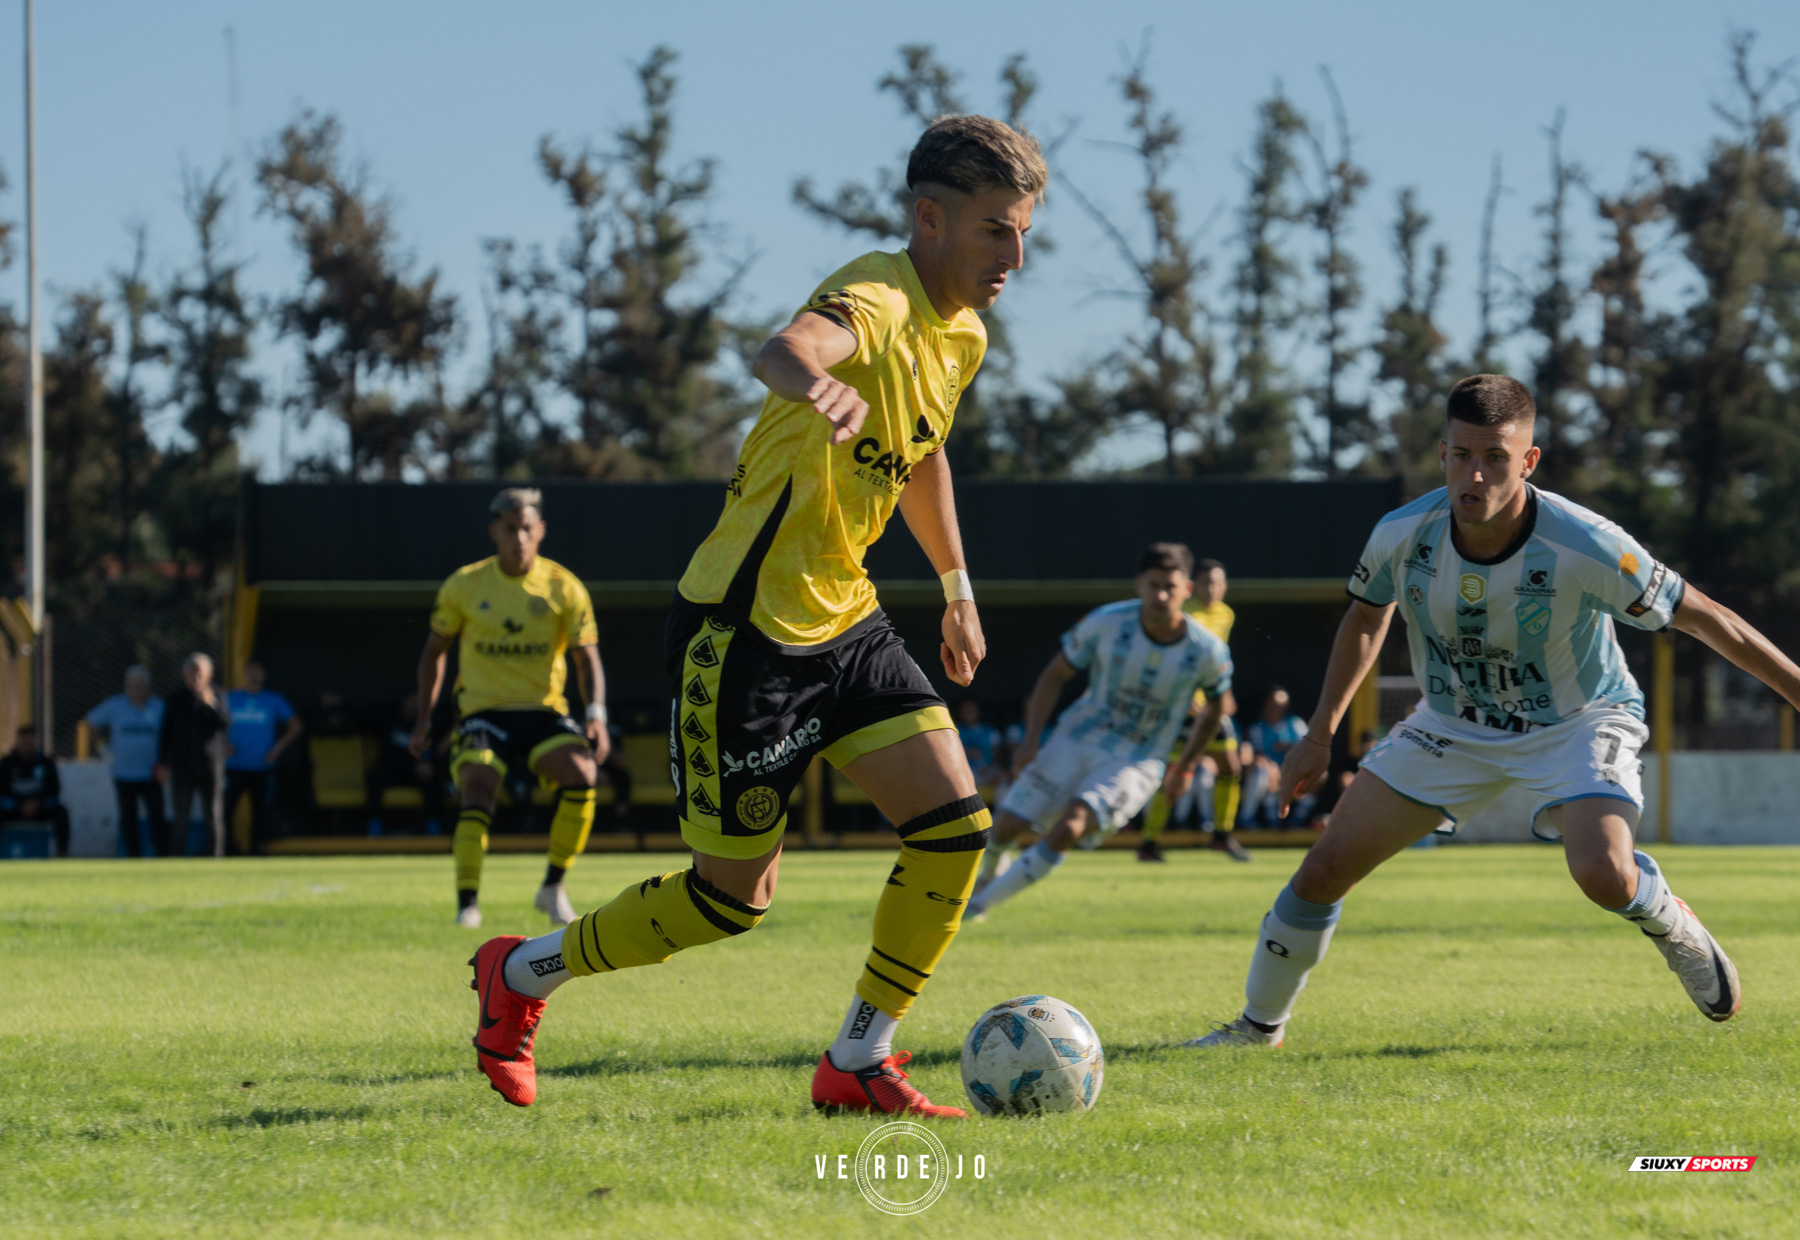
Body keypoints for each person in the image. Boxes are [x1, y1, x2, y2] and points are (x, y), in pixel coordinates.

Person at [465, 115, 1045, 1117]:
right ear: (930, 219)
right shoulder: (877, 294)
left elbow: (924, 454)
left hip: (849, 621)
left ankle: (858, 1057)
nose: (1015, 256)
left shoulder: (963, 336)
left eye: (1025, 231)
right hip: (743, 634)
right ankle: (519, 974)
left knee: (956, 830)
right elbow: (783, 348)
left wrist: (956, 587)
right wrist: (817, 384)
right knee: (728, 900)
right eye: (996, 229)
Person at [1187, 374, 1779, 1052]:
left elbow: (1708, 618)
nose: (1475, 474)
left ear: (1528, 461)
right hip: (1452, 724)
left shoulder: (1586, 543)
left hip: (1580, 720)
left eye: (1496, 457)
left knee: (1605, 875)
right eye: (1462, 454)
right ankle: (1257, 1030)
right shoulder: (1401, 533)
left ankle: (1669, 920)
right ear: (1441, 453)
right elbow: (1366, 617)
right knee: (1323, 869)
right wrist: (1320, 733)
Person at [967, 543, 1234, 919]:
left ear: (1186, 590)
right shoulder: (1106, 622)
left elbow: (1219, 708)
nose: (1161, 595)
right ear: (1139, 584)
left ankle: (978, 905)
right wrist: (1030, 742)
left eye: (1170, 587)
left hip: (1139, 757)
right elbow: (1054, 675)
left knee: (1070, 827)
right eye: (1154, 585)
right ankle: (989, 874)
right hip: (1077, 738)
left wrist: (1186, 766)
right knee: (1007, 827)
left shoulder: (1206, 649)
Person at [412, 487, 610, 930]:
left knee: (583, 774)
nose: (519, 538)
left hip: (543, 711)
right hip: (484, 711)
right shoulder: (465, 584)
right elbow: (433, 653)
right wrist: (424, 719)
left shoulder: (564, 586)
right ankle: (467, 903)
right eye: (510, 529)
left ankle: (552, 887)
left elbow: (587, 659)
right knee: (478, 780)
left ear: (541, 531)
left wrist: (596, 714)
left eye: (526, 528)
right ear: (494, 532)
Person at [1139, 558, 1249, 862]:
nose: (1213, 588)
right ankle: (1148, 842)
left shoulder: (1226, 614)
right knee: (1174, 773)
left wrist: (1225, 694)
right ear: (1193, 586)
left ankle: (1222, 836)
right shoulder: (1183, 614)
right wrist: (1182, 694)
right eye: (1207, 583)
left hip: (1212, 705)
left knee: (1231, 767)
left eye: (1219, 583)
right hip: (1182, 708)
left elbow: (1219, 661)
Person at [84, 666, 167, 856]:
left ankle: (162, 856)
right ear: (126, 686)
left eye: (141, 685)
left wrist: (167, 761)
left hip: (153, 773)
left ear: (149, 686)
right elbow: (90, 722)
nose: (137, 689)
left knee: (157, 815)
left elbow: (172, 733)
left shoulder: (159, 707)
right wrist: (102, 748)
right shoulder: (115, 705)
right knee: (128, 817)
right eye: (132, 685)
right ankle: (133, 857)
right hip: (124, 773)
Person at [224, 659, 303, 854]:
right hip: (234, 766)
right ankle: (227, 849)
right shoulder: (230, 698)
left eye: (258, 671)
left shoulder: (273, 699)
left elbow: (296, 726)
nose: (254, 675)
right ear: (244, 674)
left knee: (260, 812)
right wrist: (224, 743)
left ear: (264, 675)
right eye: (250, 671)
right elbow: (213, 725)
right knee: (226, 810)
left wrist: (277, 749)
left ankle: (256, 851)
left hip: (262, 767)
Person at [158, 653, 231, 857]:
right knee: (180, 817)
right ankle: (177, 859)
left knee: (214, 815)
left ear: (209, 674)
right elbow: (165, 733)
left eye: (199, 672)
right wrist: (163, 763)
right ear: (184, 675)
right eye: (192, 672)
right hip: (182, 766)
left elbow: (225, 724)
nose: (196, 677)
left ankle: (216, 858)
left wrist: (210, 704)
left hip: (210, 765)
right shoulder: (176, 698)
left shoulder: (217, 694)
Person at [366, 691, 446, 835]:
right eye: (411, 702)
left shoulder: (426, 726)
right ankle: (374, 823)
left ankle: (433, 823)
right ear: (404, 702)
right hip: (392, 771)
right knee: (375, 776)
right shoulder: (390, 720)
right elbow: (362, 717)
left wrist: (426, 763)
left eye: (418, 703)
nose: (414, 706)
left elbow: (433, 752)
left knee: (432, 778)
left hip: (414, 774)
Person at [1242, 686, 1313, 826]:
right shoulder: (1256, 728)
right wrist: (1271, 767)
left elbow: (1309, 748)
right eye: (1274, 705)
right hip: (1268, 775)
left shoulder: (1295, 723)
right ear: (1266, 704)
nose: (1277, 709)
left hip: (1294, 774)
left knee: (1319, 774)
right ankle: (1271, 821)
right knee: (1264, 771)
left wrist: (1289, 747)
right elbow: (1255, 755)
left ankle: (1297, 820)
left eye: (1281, 706)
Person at [0, 725, 69, 856]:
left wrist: (38, 804)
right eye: (24, 743)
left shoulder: (46, 763)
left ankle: (62, 854)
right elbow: (2, 794)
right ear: (18, 742)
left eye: (30, 743)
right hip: (14, 809)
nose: (27, 747)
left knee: (61, 811)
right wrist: (19, 805)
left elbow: (54, 791)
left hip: (40, 808)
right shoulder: (6, 763)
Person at [955, 699, 1004, 788]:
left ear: (978, 711)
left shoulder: (990, 731)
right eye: (966, 711)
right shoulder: (954, 731)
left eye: (972, 710)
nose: (969, 713)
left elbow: (997, 757)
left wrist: (987, 768)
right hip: (962, 772)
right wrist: (967, 753)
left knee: (1002, 775)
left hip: (986, 771)